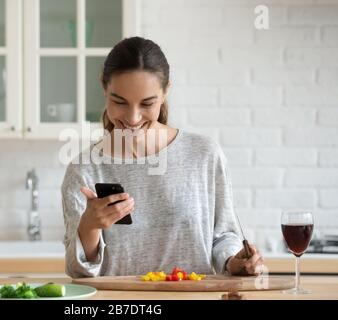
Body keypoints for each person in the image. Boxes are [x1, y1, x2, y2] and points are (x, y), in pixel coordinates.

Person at [61, 36, 263, 278]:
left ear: (165, 92)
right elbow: (78, 272)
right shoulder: (84, 170)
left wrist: (233, 262)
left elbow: (223, 236)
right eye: (119, 102)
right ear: (104, 88)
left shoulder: (203, 154)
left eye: (147, 103)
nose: (133, 117)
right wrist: (90, 226)